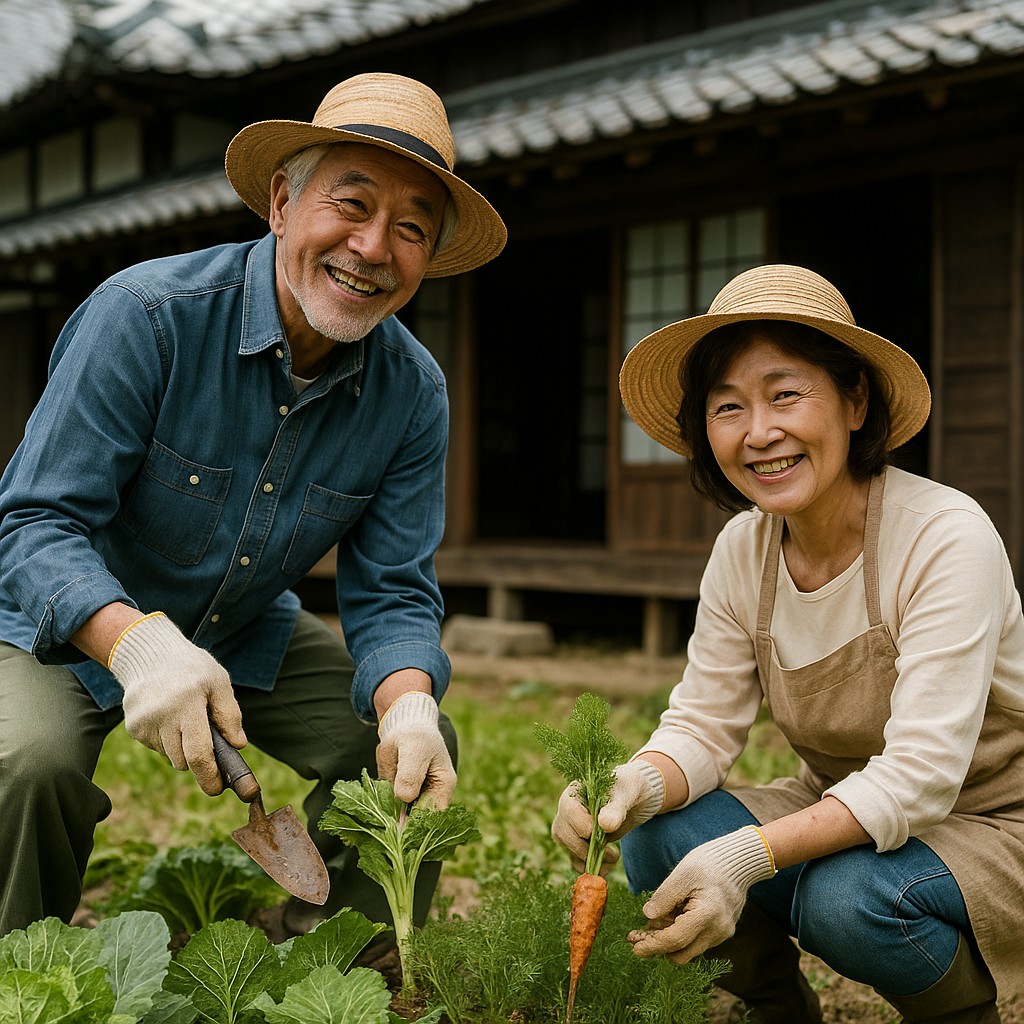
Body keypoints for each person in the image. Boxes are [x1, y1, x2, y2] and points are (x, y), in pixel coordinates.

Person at [0, 72, 506, 940]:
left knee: (403, 754)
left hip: (237, 624)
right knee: (26, 761)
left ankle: (331, 967)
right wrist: (140, 643)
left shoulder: (414, 393)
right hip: (59, 621)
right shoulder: (147, 317)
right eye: (350, 205)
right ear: (281, 202)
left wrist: (411, 700)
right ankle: (25, 972)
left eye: (412, 228)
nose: (374, 247)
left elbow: (392, 590)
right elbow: (33, 523)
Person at [551, 264, 1024, 1023]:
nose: (759, 433)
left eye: (785, 394)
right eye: (728, 406)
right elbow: (702, 726)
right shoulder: (744, 549)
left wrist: (749, 855)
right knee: (655, 836)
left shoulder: (944, 536)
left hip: (999, 818)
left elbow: (925, 775)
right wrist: (629, 784)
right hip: (850, 808)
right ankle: (777, 1009)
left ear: (855, 400)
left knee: (847, 899)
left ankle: (959, 1012)